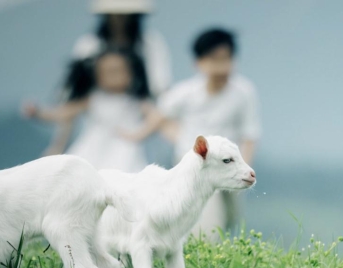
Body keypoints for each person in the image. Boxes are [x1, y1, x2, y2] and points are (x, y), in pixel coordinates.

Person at [159, 28, 261, 241]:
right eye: (214, 59)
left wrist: (242, 166)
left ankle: (209, 252)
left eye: (226, 59)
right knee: (206, 218)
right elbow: (161, 117)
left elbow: (250, 135)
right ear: (199, 62)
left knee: (231, 215)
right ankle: (201, 254)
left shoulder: (243, 92)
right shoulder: (185, 92)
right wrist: (182, 141)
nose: (221, 66)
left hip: (229, 161)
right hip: (199, 164)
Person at [23, 49, 164, 173]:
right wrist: (39, 113)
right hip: (92, 149)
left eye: (118, 71)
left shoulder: (135, 101)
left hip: (125, 150)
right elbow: (64, 112)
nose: (113, 76)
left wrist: (140, 134)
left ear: (131, 74)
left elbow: (157, 117)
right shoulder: (93, 99)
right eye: (107, 72)